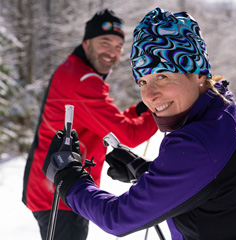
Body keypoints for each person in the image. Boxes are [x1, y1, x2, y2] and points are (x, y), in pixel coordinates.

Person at [41, 8, 236, 240]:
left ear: (199, 73)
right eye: (143, 82)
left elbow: (117, 218)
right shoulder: (229, 114)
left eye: (162, 76)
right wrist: (142, 169)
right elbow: (212, 180)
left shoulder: (199, 141)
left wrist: (68, 177)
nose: (150, 95)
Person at [22, 9, 157, 240]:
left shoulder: (77, 72)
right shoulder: (82, 81)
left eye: (118, 46)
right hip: (58, 193)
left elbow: (110, 121)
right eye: (105, 42)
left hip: (60, 186)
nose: (112, 52)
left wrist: (142, 109)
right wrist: (161, 107)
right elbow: (129, 134)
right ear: (86, 44)